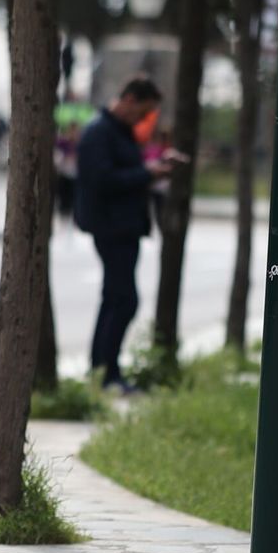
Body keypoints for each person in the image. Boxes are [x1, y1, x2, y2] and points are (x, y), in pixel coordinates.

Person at [73, 77, 182, 390]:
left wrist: (154, 168)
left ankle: (104, 370)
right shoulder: (99, 132)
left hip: (125, 226)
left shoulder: (117, 132)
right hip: (111, 227)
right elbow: (102, 180)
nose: (142, 120)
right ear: (130, 99)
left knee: (116, 298)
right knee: (123, 300)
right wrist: (147, 172)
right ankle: (105, 373)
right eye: (142, 112)